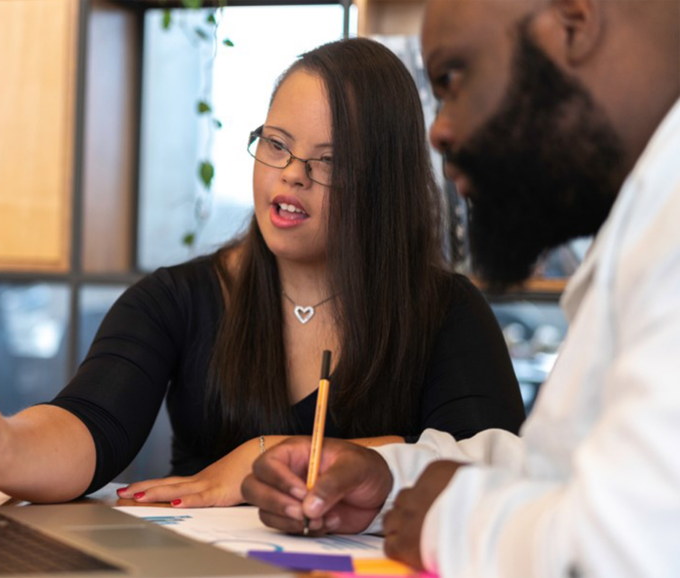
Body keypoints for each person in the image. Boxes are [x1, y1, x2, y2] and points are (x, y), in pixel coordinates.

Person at [0, 38, 524, 507]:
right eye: (277, 145)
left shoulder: (447, 313)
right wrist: (0, 445)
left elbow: (490, 469)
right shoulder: (178, 299)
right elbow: (88, 426)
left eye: (329, 161)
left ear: (384, 186)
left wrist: (268, 452)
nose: (291, 175)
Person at [241, 0, 680, 577]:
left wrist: (451, 522)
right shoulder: (648, 224)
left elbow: (630, 548)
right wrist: (392, 480)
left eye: (452, 79)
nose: (441, 133)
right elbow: (563, 469)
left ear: (572, 26)